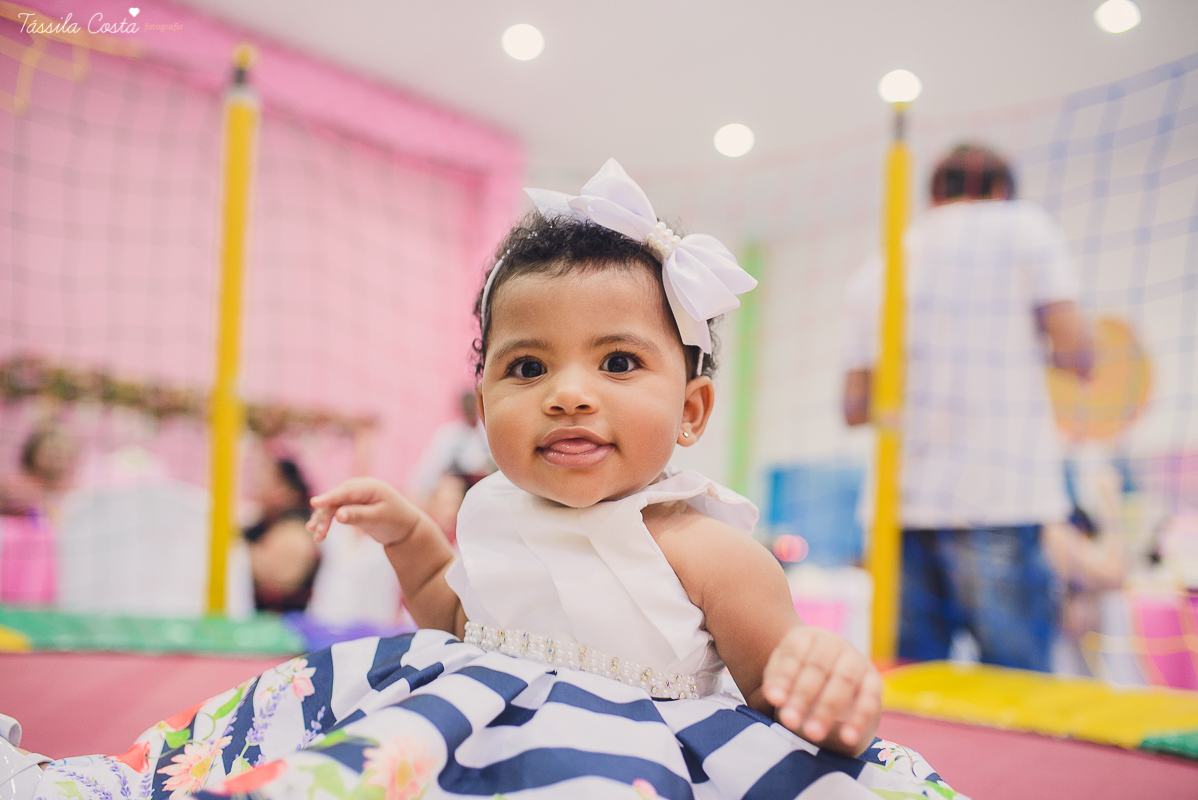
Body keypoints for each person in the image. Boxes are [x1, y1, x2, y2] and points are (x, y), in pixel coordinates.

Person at [8, 160, 963, 800]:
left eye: (619, 363)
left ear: (693, 412)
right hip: (455, 716)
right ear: (482, 401)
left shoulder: (710, 550)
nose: (567, 395)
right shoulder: (492, 509)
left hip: (620, 760)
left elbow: (783, 699)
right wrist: (412, 541)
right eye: (527, 367)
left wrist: (825, 679)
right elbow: (458, 625)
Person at [842, 143, 1093, 672]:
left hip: (898, 509)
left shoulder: (881, 265)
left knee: (911, 693)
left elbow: (854, 406)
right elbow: (1076, 353)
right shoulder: (1024, 227)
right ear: (1002, 190)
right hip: (998, 495)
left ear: (934, 194)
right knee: (1019, 690)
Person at [0, 425, 78, 605]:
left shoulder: (76, 490)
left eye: (62, 451)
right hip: (15, 565)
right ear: (33, 453)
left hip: (58, 573)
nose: (56, 457)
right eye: (51, 451)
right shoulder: (12, 487)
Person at [408, 390, 495, 543]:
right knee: (448, 491)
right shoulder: (449, 435)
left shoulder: (489, 434)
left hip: (481, 488)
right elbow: (429, 469)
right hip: (454, 486)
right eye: (466, 407)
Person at [243, 456, 320, 613]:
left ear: (290, 491)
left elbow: (274, 580)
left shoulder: (296, 532)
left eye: (267, 482)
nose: (259, 488)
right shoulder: (266, 524)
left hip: (284, 625)